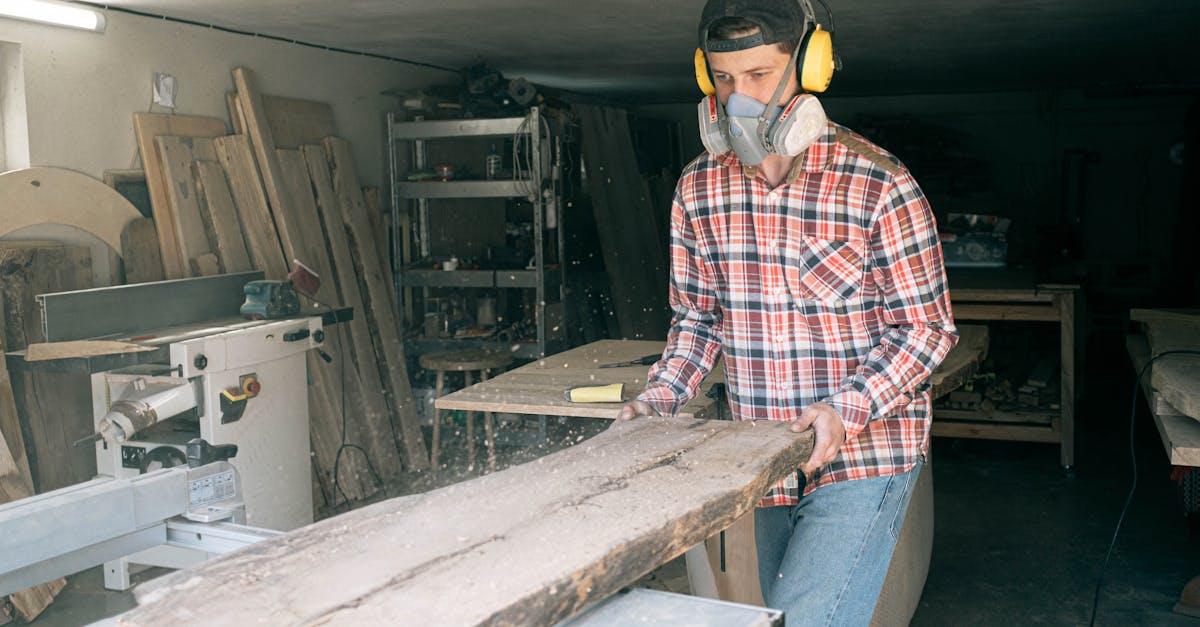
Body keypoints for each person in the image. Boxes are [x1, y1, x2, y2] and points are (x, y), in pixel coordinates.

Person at [615, 0, 958, 623]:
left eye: (760, 75)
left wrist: (844, 408)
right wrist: (658, 401)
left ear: (811, 69)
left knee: (806, 619)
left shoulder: (877, 182)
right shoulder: (698, 188)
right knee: (776, 611)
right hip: (762, 452)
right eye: (723, 78)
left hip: (864, 453)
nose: (738, 98)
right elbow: (697, 319)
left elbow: (925, 329)